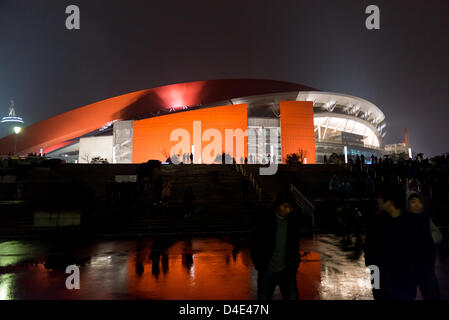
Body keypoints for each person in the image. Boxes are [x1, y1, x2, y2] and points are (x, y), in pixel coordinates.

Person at [364, 184, 416, 300]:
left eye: (381, 198)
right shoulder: (375, 222)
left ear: (390, 202)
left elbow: (420, 251)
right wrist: (375, 282)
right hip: (383, 284)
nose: (378, 201)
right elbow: (369, 251)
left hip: (404, 283)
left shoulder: (413, 223)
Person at [250, 191, 301, 300]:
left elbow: (295, 246)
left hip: (287, 272)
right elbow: (254, 243)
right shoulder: (265, 220)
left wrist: (294, 264)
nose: (288, 211)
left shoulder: (292, 221)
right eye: (285, 207)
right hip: (267, 270)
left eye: (290, 208)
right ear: (278, 205)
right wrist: (260, 264)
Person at [406, 191, 442, 300]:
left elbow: (438, 235)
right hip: (410, 270)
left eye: (419, 202)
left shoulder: (425, 218)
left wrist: (427, 240)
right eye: (413, 202)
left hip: (427, 269)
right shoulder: (405, 220)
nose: (417, 205)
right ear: (407, 205)